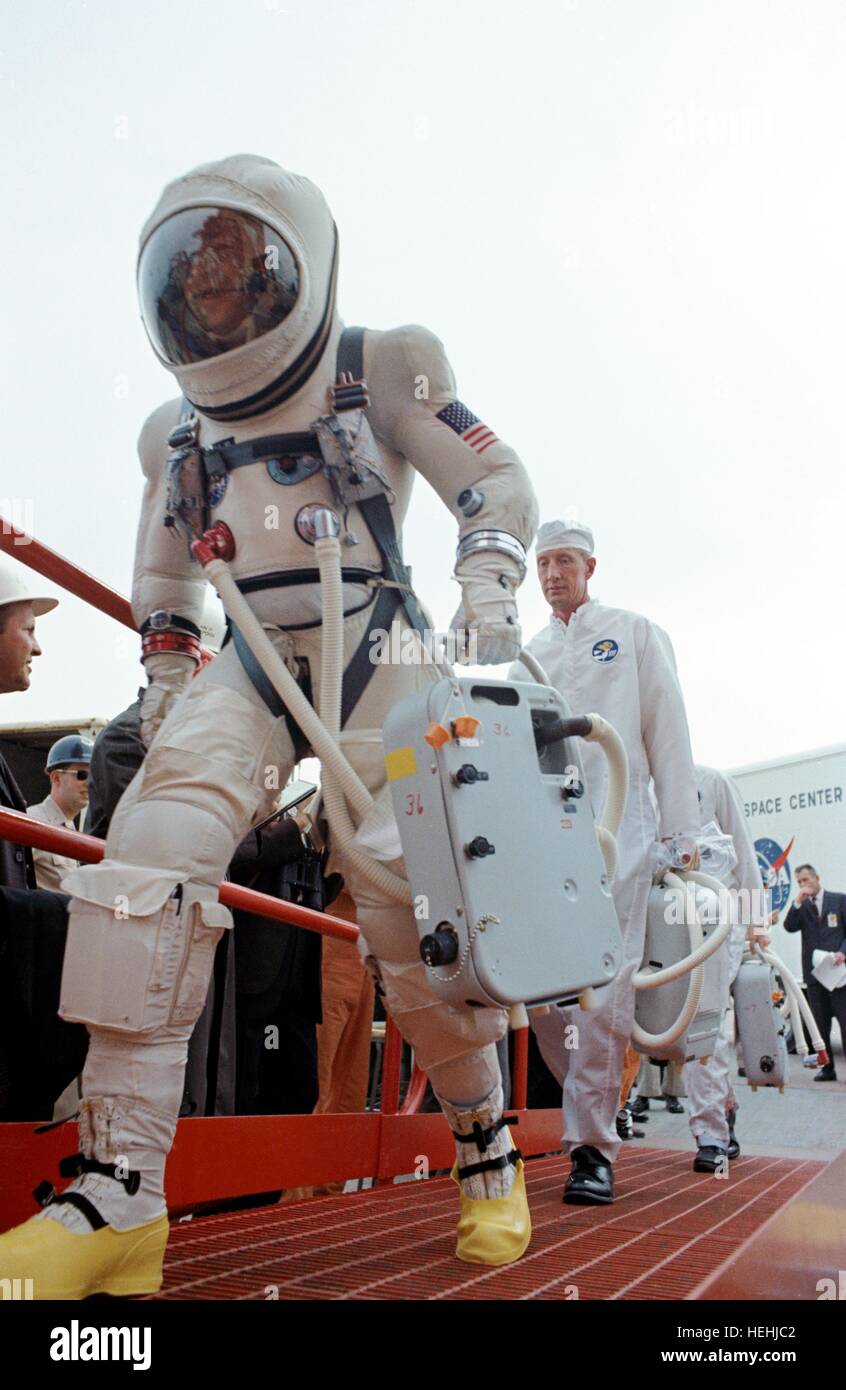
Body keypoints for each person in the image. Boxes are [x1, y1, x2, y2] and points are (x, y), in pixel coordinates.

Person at [0, 154, 538, 1297]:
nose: (213, 288)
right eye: (192, 272)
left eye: (235, 263)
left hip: (381, 648)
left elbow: (490, 477)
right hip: (253, 658)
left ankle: (485, 1145)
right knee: (143, 863)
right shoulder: (173, 435)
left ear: (294, 261)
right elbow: (165, 574)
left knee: (404, 917)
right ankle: (119, 1192)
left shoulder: (388, 364)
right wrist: (163, 670)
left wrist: (488, 586)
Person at [511, 517, 700, 1205]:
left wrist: (682, 834)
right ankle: (596, 1104)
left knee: (605, 987)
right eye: (543, 564)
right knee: (540, 992)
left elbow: (668, 732)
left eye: (565, 561)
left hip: (622, 831)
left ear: (591, 566)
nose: (553, 574)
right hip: (547, 840)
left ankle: (591, 1148)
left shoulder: (634, 633)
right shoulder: (527, 655)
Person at [684, 765, 770, 1171]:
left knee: (709, 1020)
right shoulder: (640, 788)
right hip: (669, 918)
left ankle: (711, 1132)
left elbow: (743, 846)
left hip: (721, 919)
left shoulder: (712, 781)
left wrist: (756, 922)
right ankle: (722, 1108)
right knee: (691, 1025)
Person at [783, 864, 846, 1082]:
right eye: (799, 882)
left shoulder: (838, 900)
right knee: (820, 1027)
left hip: (838, 976)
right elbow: (789, 926)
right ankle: (828, 1069)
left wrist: (843, 952)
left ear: (817, 878)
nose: (803, 885)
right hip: (815, 976)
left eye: (806, 880)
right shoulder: (802, 907)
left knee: (845, 1023)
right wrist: (797, 900)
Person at [27, 736, 93, 891]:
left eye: (94, 775)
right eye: (82, 775)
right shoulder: (33, 821)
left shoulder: (70, 826)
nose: (90, 782)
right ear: (56, 778)